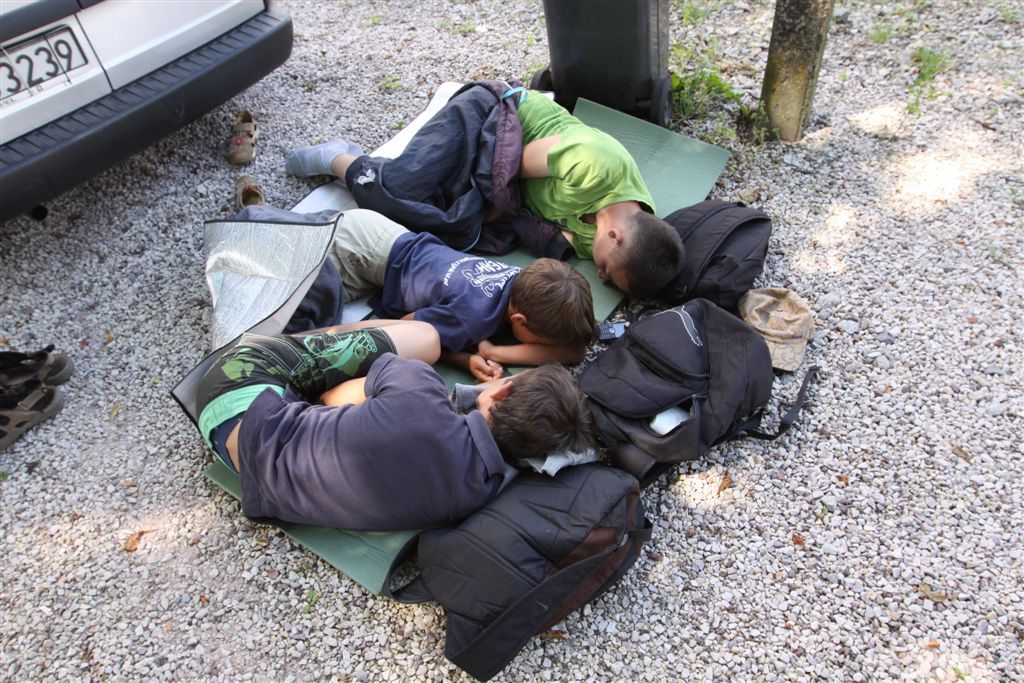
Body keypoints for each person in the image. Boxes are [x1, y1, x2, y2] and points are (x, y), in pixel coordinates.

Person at [285, 84, 684, 299]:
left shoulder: (593, 240)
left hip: (496, 174)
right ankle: (339, 159)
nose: (598, 274)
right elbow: (509, 165)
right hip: (494, 119)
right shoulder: (598, 164)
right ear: (616, 236)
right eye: (608, 271)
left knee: (438, 230)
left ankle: (395, 180)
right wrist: (473, 211)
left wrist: (470, 218)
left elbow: (527, 224)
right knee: (400, 190)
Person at [193, 319, 595, 531]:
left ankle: (318, 332)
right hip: (250, 469)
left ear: (502, 392)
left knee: (426, 338)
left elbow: (332, 396)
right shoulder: (478, 492)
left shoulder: (420, 390)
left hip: (235, 392)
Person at [230, 195, 596, 382]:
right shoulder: (472, 317)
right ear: (519, 320)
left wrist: (493, 350)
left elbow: (574, 350)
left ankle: (271, 221)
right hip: (356, 254)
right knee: (297, 328)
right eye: (539, 339)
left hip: (380, 233)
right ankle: (254, 222)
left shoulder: (521, 278)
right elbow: (407, 330)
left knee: (314, 246)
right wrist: (462, 357)